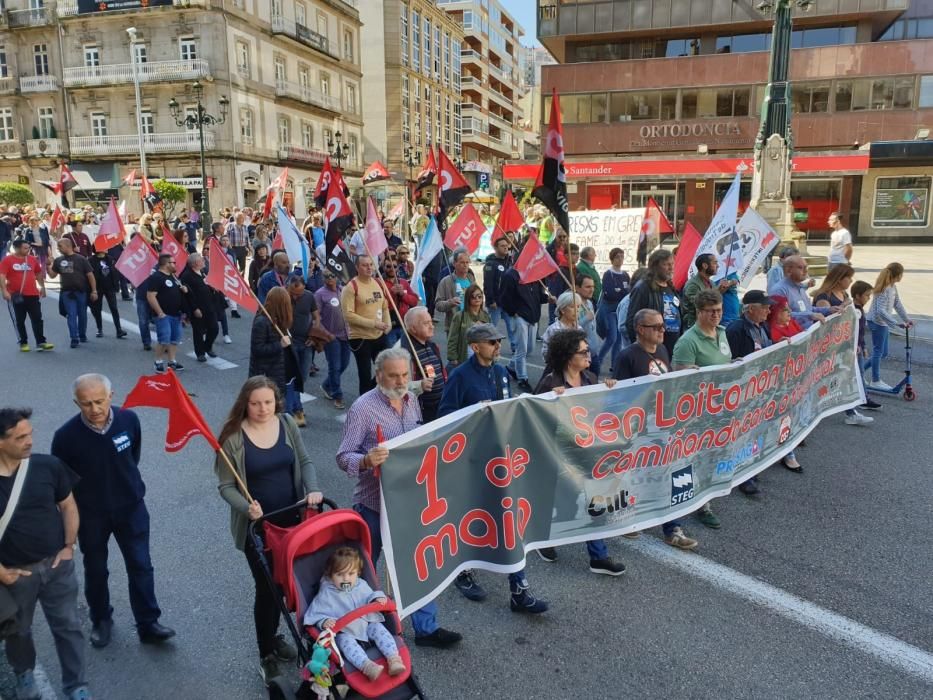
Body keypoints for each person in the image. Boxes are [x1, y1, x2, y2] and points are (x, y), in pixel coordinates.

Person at [337, 348, 462, 648]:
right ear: (379, 375)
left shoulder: (412, 400)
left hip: (411, 504)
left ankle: (427, 628)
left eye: (405, 375)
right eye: (393, 375)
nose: (400, 381)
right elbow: (343, 456)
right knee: (365, 569)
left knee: (420, 565)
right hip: (374, 505)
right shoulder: (362, 409)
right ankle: (358, 629)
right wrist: (366, 460)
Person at [51, 374, 175, 649]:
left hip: (131, 508)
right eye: (86, 404)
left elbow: (134, 456)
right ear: (76, 403)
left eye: (99, 401)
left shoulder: (128, 420)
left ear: (111, 395)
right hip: (91, 515)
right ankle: (101, 620)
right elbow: (62, 485)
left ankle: (148, 623)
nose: (94, 409)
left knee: (141, 566)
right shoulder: (65, 437)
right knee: (96, 570)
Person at [215, 377, 323, 683]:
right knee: (267, 590)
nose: (262, 408)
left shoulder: (286, 423)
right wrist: (245, 507)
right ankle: (266, 653)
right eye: (255, 403)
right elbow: (225, 486)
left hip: (294, 521)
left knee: (290, 585)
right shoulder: (233, 438)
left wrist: (312, 489)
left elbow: (305, 460)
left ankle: (275, 636)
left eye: (267, 402)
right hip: (259, 529)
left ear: (276, 401)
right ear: (244, 404)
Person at [437, 324, 549, 613]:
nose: (498, 346)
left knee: (509, 519)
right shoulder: (460, 376)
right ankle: (462, 573)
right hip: (471, 461)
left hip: (501, 460)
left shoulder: (501, 372)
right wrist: (474, 412)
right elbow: (444, 415)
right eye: (492, 342)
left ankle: (518, 590)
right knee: (470, 519)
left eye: (499, 341)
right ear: (475, 346)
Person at [0, 407, 93, 700]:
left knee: (68, 626)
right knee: (19, 631)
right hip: (15, 574)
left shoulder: (47, 466)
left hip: (56, 566)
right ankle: (24, 676)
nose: (29, 441)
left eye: (30, 434)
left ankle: (77, 685)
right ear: (1, 442)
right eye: (20, 437)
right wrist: (2, 573)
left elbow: (68, 505)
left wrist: (68, 546)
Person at [532, 329, 627, 574]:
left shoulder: (590, 379)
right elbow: (531, 414)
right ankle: (545, 540)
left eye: (588, 349)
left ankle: (598, 556)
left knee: (592, 500)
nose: (590, 354)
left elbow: (599, 411)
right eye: (583, 351)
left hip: (585, 452)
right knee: (561, 502)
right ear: (567, 356)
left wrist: (609, 389)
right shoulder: (550, 382)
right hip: (557, 453)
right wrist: (551, 401)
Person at [613, 309, 699, 550]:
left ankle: (673, 528)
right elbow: (621, 398)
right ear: (640, 329)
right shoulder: (626, 357)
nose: (663, 330)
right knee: (637, 476)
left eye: (662, 325)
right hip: (640, 429)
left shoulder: (662, 350)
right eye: (656, 327)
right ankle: (629, 518)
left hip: (664, 425)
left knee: (670, 474)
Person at [726, 291, 802, 484]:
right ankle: (744, 476)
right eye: (765, 306)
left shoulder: (761, 327)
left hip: (762, 386)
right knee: (745, 431)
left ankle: (755, 463)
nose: (769, 310)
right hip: (747, 390)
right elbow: (733, 361)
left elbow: (763, 349)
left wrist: (777, 345)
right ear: (751, 308)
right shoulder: (736, 329)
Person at [672, 290, 732, 529]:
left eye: (719, 310)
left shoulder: (723, 333)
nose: (716, 315)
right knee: (694, 457)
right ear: (699, 312)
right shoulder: (688, 341)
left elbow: (725, 362)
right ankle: (697, 503)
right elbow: (679, 381)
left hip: (720, 406)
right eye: (711, 311)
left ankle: (705, 495)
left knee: (713, 454)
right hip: (697, 412)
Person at [304, 547, 405, 681]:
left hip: (365, 622)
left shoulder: (360, 584)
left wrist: (376, 598)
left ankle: (393, 659)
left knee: (379, 629)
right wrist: (324, 621)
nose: (346, 578)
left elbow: (369, 595)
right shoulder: (326, 593)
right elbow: (315, 613)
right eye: (340, 574)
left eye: (351, 573)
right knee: (345, 642)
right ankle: (367, 666)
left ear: (358, 573)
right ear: (330, 574)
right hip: (345, 630)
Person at [341, 255, 390, 394]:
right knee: (365, 374)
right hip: (360, 338)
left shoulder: (379, 283)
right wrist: (373, 324)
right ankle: (364, 405)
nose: (369, 267)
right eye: (364, 265)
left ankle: (375, 393)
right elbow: (348, 315)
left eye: (371, 264)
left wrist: (387, 323)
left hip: (379, 335)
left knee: (387, 368)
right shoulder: (350, 287)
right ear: (357, 267)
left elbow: (384, 305)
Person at [499, 258, 549, 394]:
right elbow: (504, 297)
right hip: (520, 316)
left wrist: (547, 298)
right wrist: (513, 312)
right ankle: (523, 378)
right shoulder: (511, 276)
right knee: (522, 349)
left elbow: (538, 295)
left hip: (533, 317)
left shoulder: (533, 276)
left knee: (529, 349)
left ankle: (511, 367)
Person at [865, 262, 912, 391]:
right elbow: (880, 310)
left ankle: (860, 371)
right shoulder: (884, 288)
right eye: (902, 274)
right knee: (878, 351)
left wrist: (907, 319)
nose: (902, 276)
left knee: (883, 353)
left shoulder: (892, 287)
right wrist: (896, 323)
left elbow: (897, 304)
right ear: (898, 275)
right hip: (876, 322)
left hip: (883, 322)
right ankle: (875, 380)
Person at [625, 248, 681, 356]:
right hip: (651, 348)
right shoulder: (642, 288)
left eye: (672, 264)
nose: (671, 268)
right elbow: (631, 322)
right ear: (655, 266)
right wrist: (641, 347)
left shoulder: (671, 288)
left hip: (672, 347)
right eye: (666, 264)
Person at [0, 238, 53, 352]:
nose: (28, 250)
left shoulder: (32, 259)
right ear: (16, 248)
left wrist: (42, 287)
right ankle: (23, 342)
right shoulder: (7, 260)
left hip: (32, 294)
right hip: (16, 295)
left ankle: (41, 342)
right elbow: (2, 276)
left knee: (37, 318)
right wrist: (4, 290)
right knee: (19, 320)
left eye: (28, 248)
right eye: (25, 248)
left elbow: (38, 273)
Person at [47, 238, 97, 349]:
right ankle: (74, 338)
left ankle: (82, 334)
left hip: (81, 292)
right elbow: (52, 275)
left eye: (60, 246)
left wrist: (94, 291)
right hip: (67, 293)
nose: (58, 249)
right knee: (71, 315)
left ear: (67, 245)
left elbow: (90, 275)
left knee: (82, 315)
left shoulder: (81, 259)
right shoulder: (59, 260)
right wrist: (48, 265)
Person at [249, 287, 296, 402]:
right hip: (264, 375)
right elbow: (257, 349)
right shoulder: (262, 321)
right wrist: (279, 345)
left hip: (278, 373)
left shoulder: (280, 319)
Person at [285, 275, 320, 426]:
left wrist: (314, 335)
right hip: (289, 343)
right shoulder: (282, 297)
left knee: (302, 377)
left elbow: (316, 318)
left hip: (306, 343)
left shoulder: (309, 297)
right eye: (292, 292)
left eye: (298, 293)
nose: (295, 296)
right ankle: (295, 409)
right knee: (292, 378)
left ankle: (294, 406)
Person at [401, 306, 446, 422]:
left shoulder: (432, 346)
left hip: (440, 406)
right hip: (420, 413)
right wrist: (419, 385)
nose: (432, 326)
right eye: (426, 323)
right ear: (413, 328)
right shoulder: (403, 352)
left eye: (431, 322)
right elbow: (396, 387)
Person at [315, 269, 351, 410]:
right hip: (330, 336)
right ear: (323, 279)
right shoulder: (319, 294)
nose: (330, 278)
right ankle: (337, 395)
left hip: (346, 335)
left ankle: (326, 385)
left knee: (344, 364)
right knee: (334, 366)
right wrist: (325, 333)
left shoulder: (343, 290)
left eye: (332, 276)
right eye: (326, 276)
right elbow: (316, 317)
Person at [146, 253, 188, 373]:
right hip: (164, 315)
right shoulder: (156, 277)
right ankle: (158, 362)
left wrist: (183, 289)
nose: (176, 264)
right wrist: (159, 312)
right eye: (173, 262)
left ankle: (172, 361)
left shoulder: (173, 276)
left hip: (176, 314)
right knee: (164, 339)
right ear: (165, 264)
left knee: (175, 339)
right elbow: (150, 296)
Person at [771, 255, 834, 330]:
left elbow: (809, 309)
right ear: (789, 270)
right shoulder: (779, 290)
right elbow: (780, 317)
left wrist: (828, 310)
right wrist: (809, 315)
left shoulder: (800, 287)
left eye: (806, 267)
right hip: (794, 337)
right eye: (800, 267)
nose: (805, 271)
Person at [594, 247, 630, 372]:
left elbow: (627, 293)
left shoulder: (625, 275)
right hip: (610, 310)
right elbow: (609, 293)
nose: (620, 259)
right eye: (617, 257)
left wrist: (619, 292)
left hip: (620, 311)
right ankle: (598, 360)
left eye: (621, 257)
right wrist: (620, 293)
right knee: (612, 338)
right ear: (612, 259)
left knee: (619, 340)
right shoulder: (608, 274)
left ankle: (614, 365)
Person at [850, 281, 882, 414]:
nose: (869, 298)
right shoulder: (854, 310)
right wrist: (857, 345)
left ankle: (863, 398)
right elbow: (853, 330)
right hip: (853, 347)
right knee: (858, 374)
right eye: (867, 295)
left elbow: (861, 331)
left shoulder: (860, 309)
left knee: (860, 373)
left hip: (858, 346)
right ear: (857, 295)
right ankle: (863, 399)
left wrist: (863, 346)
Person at [181, 253, 219, 362]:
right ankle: (200, 353)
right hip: (197, 308)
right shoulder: (187, 276)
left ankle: (207, 347)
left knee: (214, 328)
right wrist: (195, 309)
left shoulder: (202, 272)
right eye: (201, 260)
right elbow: (188, 295)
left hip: (209, 306)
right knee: (198, 331)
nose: (203, 261)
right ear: (195, 263)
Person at [482, 236, 516, 351]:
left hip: (507, 301)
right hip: (495, 302)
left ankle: (515, 347)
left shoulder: (510, 262)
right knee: (492, 326)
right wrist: (491, 300)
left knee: (511, 326)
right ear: (495, 248)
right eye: (502, 246)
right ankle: (489, 346)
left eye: (507, 245)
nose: (506, 248)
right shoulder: (491, 263)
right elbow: (488, 284)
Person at [447, 284, 490, 366]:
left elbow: (491, 338)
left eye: (479, 296)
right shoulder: (459, 316)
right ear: (468, 298)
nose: (477, 299)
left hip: (482, 357)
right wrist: (453, 357)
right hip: (465, 357)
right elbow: (452, 338)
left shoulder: (486, 316)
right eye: (473, 296)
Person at [88, 249, 127, 339]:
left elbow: (116, 272)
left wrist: (117, 285)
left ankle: (119, 329)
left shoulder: (110, 259)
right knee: (97, 309)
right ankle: (99, 329)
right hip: (98, 287)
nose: (106, 249)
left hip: (110, 287)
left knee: (114, 308)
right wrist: (92, 290)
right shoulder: (91, 260)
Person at [380, 257, 418, 347]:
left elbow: (414, 301)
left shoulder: (403, 282)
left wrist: (403, 295)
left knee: (406, 353)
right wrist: (391, 294)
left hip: (404, 325)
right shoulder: (379, 283)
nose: (391, 269)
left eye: (394, 266)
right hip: (389, 326)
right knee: (391, 355)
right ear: (383, 267)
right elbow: (377, 304)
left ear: (397, 268)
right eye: (388, 266)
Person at [434, 247, 475, 331]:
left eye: (467, 262)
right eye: (462, 262)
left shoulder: (471, 278)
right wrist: (450, 302)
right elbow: (438, 305)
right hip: (454, 327)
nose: (465, 265)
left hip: (472, 325)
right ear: (454, 263)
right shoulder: (446, 281)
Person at [682, 254, 724, 329]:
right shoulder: (693, 284)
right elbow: (699, 304)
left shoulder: (711, 283)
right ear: (705, 265)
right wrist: (717, 291)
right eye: (714, 263)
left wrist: (720, 290)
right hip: (694, 328)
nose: (717, 266)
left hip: (708, 326)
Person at [540, 291, 581, 366]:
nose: (577, 310)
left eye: (578, 306)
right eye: (572, 307)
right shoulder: (554, 330)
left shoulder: (579, 328)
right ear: (562, 310)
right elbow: (546, 353)